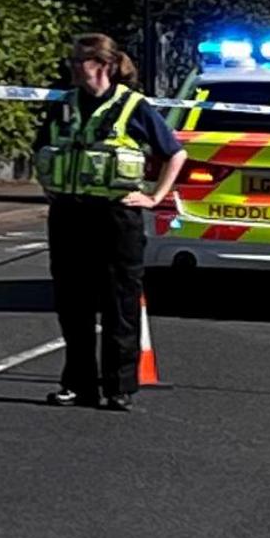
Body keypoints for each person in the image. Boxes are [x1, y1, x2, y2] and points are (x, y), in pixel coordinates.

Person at [37, 31, 187, 411]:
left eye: (78, 62)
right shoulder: (65, 105)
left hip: (116, 216)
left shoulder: (132, 106)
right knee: (73, 304)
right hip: (70, 213)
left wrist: (154, 196)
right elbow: (42, 149)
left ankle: (119, 387)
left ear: (102, 66)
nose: (71, 68)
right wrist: (49, 186)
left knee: (119, 303)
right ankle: (77, 384)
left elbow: (174, 154)